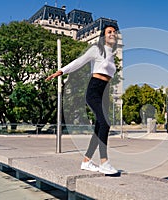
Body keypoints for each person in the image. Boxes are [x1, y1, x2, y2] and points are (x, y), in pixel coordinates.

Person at [46, 25, 119, 174]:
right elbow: (79, 61)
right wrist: (61, 71)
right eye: (109, 32)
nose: (113, 34)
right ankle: (104, 162)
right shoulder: (96, 49)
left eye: (114, 32)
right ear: (103, 36)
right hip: (94, 90)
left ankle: (86, 161)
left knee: (100, 127)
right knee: (105, 123)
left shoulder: (112, 54)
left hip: (105, 91)